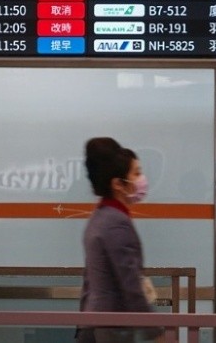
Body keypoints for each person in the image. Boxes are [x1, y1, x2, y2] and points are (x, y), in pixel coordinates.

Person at [76, 137, 163, 343]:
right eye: (136, 173)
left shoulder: (99, 217)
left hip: (93, 324)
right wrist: (156, 332)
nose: (142, 179)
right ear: (118, 184)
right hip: (111, 329)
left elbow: (90, 282)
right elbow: (130, 283)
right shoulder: (116, 222)